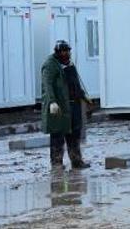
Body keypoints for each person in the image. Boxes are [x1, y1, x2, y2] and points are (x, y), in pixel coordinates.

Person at [41, 40, 91, 169]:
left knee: (75, 133)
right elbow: (47, 85)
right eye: (64, 51)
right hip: (59, 107)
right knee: (58, 134)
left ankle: (76, 161)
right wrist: (52, 101)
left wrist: (83, 96)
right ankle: (56, 163)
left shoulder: (69, 64)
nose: (67, 53)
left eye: (68, 51)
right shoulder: (50, 65)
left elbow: (75, 82)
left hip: (74, 105)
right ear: (58, 52)